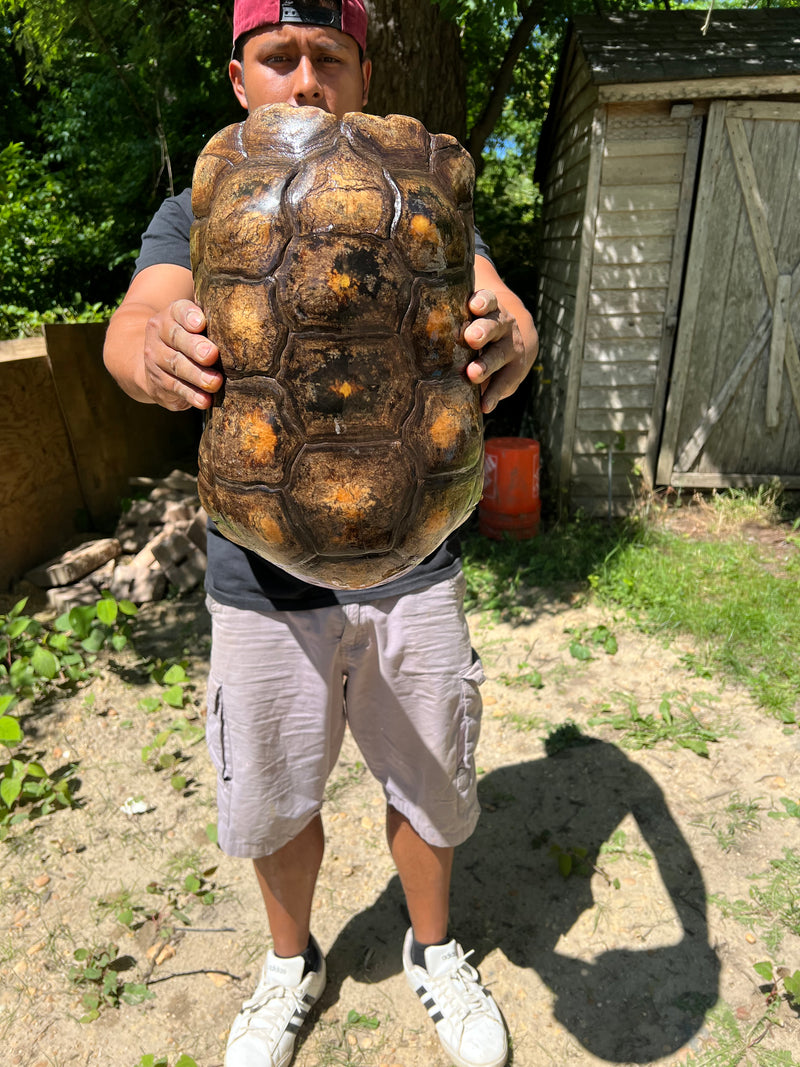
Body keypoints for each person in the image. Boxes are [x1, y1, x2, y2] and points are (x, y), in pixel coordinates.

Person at [103, 3, 538, 1066]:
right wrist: (147, 345)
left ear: (361, 70)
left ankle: (432, 949)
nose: (304, 81)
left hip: (416, 560)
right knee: (271, 790)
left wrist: (515, 330)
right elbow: (134, 321)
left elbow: (500, 309)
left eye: (326, 57)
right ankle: (288, 963)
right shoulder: (193, 208)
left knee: (430, 776)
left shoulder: (424, 197)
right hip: (258, 567)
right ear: (239, 78)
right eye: (277, 58)